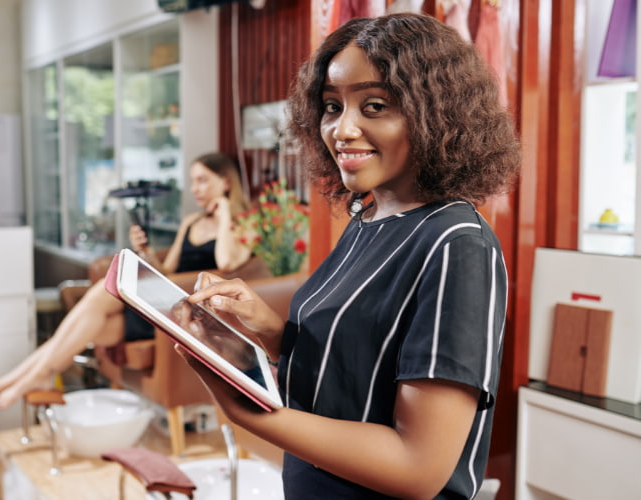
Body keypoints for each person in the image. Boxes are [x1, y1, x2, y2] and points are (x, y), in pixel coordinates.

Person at [183, 14, 521, 500]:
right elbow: (359, 372)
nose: (342, 129)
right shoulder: (369, 215)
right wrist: (268, 331)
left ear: (436, 113)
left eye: (375, 105)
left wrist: (252, 412)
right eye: (331, 106)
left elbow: (419, 467)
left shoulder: (457, 244)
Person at [0, 152, 253, 413]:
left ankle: (14, 384)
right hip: (167, 302)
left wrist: (225, 212)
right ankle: (14, 383)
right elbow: (168, 269)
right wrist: (145, 250)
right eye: (193, 180)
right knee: (79, 332)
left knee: (99, 293)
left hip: (188, 314)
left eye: (203, 180)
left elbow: (226, 262)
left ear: (225, 182)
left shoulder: (244, 223)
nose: (195, 188)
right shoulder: (191, 222)